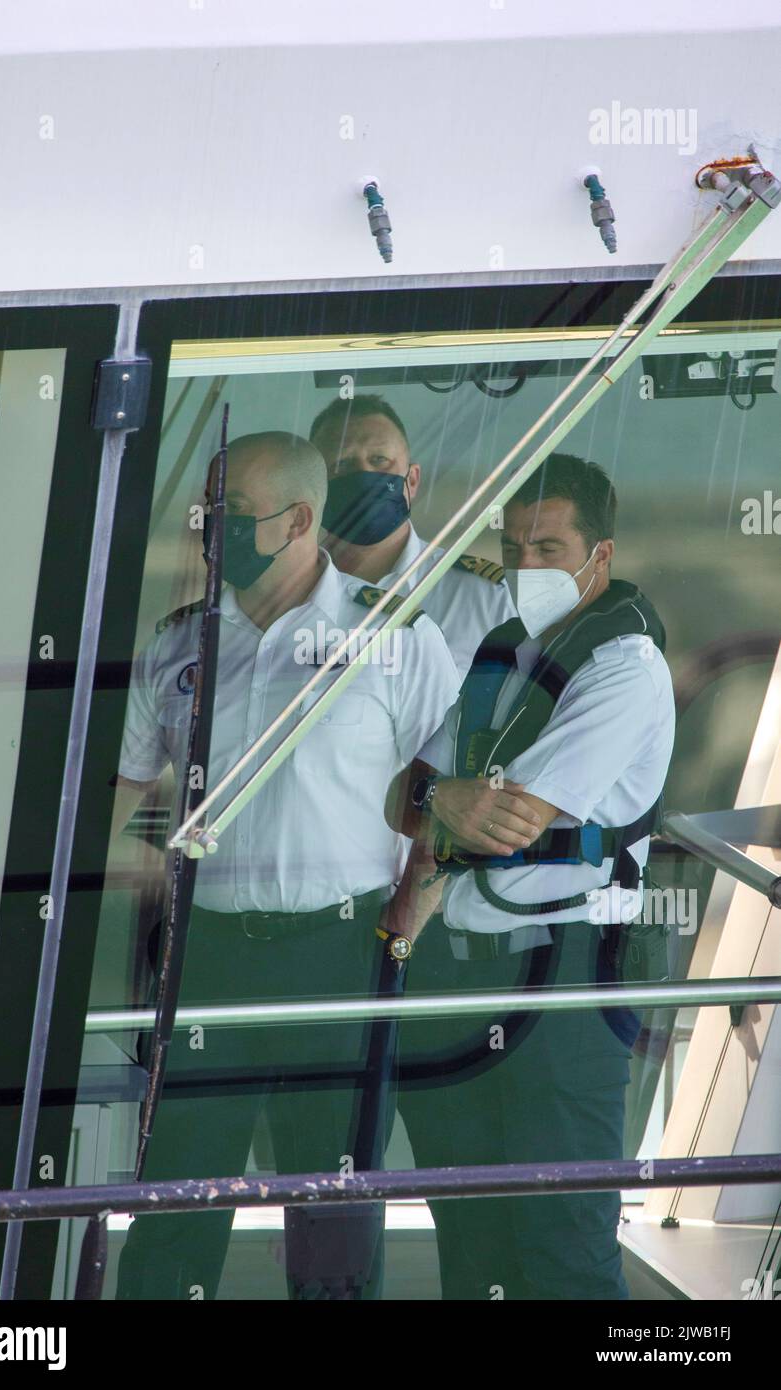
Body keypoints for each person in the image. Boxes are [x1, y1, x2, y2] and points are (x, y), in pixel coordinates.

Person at [112, 431, 461, 1300]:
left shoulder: (396, 639)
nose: (208, 530)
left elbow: (450, 804)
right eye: (207, 513)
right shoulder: (178, 648)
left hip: (340, 957)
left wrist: (401, 930)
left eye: (227, 515)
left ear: (298, 520)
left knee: (334, 1218)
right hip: (209, 963)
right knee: (173, 1207)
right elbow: (102, 808)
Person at [389, 453, 676, 1300]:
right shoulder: (501, 651)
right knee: (471, 1244)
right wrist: (447, 799)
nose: (527, 565)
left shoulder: (626, 667)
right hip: (464, 973)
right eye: (514, 546)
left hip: (567, 982)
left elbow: (514, 817)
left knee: (564, 1250)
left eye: (549, 546)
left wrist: (441, 800)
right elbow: (404, 800)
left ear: (602, 557)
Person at [310, 393, 515, 677]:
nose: (365, 474)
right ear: (315, 488)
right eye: (342, 464)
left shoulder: (485, 599)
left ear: (413, 479)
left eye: (380, 459)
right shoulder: (289, 596)